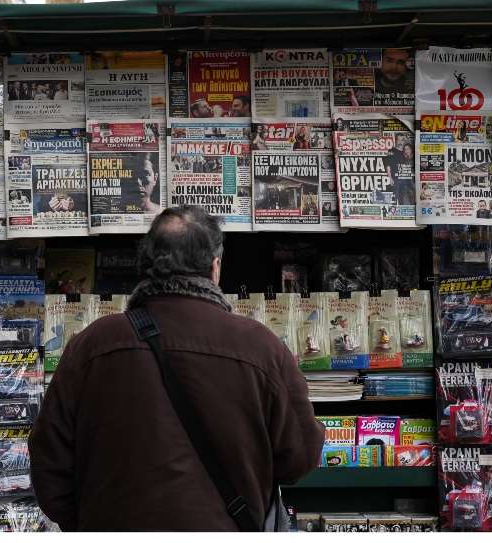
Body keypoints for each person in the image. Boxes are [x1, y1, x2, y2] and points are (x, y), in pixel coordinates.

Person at [29, 206, 324, 531]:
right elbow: (299, 458)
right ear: (215, 267)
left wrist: (88, 522)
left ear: (146, 267)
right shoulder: (262, 348)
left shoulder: (92, 345)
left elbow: (48, 464)